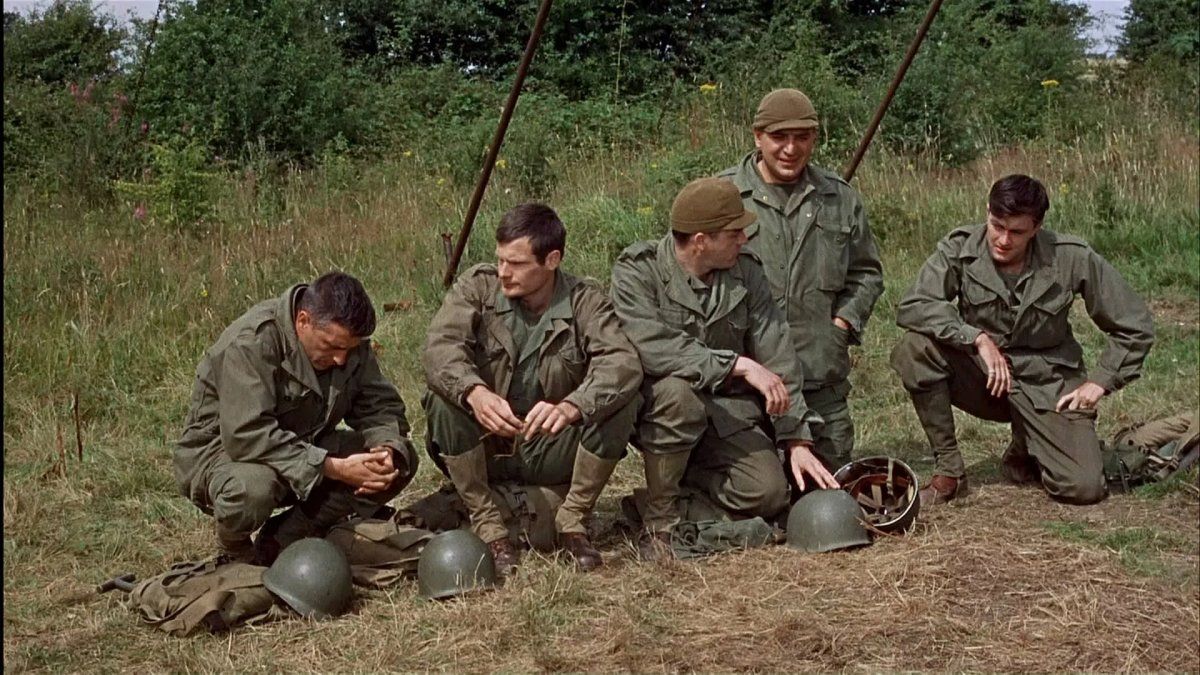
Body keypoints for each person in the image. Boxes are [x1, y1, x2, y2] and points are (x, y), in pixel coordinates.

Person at [890, 174, 1155, 506]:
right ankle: (950, 471)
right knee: (916, 348)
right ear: (987, 212)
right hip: (986, 379)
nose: (1003, 240)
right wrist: (977, 338)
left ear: (1036, 227)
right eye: (997, 226)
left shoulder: (1070, 257)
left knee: (1084, 487)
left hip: (1049, 385)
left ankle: (1027, 446)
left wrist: (1100, 381)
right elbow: (915, 305)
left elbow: (1135, 325)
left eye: (1016, 232)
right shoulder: (959, 248)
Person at [611, 177, 838, 561]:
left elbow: (778, 353)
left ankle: (662, 497)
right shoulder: (638, 272)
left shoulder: (746, 273)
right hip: (660, 412)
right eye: (734, 233)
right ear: (701, 241)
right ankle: (661, 522)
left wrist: (795, 437)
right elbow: (653, 347)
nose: (744, 240)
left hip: (725, 415)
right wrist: (735, 365)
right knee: (679, 395)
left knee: (769, 494)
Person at [422, 203, 642, 574]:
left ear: (552, 260)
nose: (503, 273)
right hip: (486, 442)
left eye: (517, 263)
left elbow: (622, 363)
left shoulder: (584, 301)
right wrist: (474, 393)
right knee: (442, 396)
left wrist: (571, 407)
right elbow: (439, 348)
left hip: (549, 446)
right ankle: (489, 525)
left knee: (623, 400)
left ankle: (573, 521)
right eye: (500, 260)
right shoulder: (478, 287)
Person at [174, 272, 417, 564]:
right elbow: (245, 435)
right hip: (225, 453)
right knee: (253, 490)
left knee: (399, 462)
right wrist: (333, 468)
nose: (341, 359)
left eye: (348, 349)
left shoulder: (346, 341)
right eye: (332, 347)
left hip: (303, 444)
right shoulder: (252, 342)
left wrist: (386, 448)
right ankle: (234, 549)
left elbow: (379, 405)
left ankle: (288, 534)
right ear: (303, 321)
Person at [717, 88, 883, 469]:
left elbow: (867, 273)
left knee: (831, 486)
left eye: (802, 137)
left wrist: (841, 325)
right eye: (779, 137)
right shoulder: (723, 195)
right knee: (761, 488)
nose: (791, 149)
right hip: (743, 382)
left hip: (817, 378)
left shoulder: (839, 198)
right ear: (757, 136)